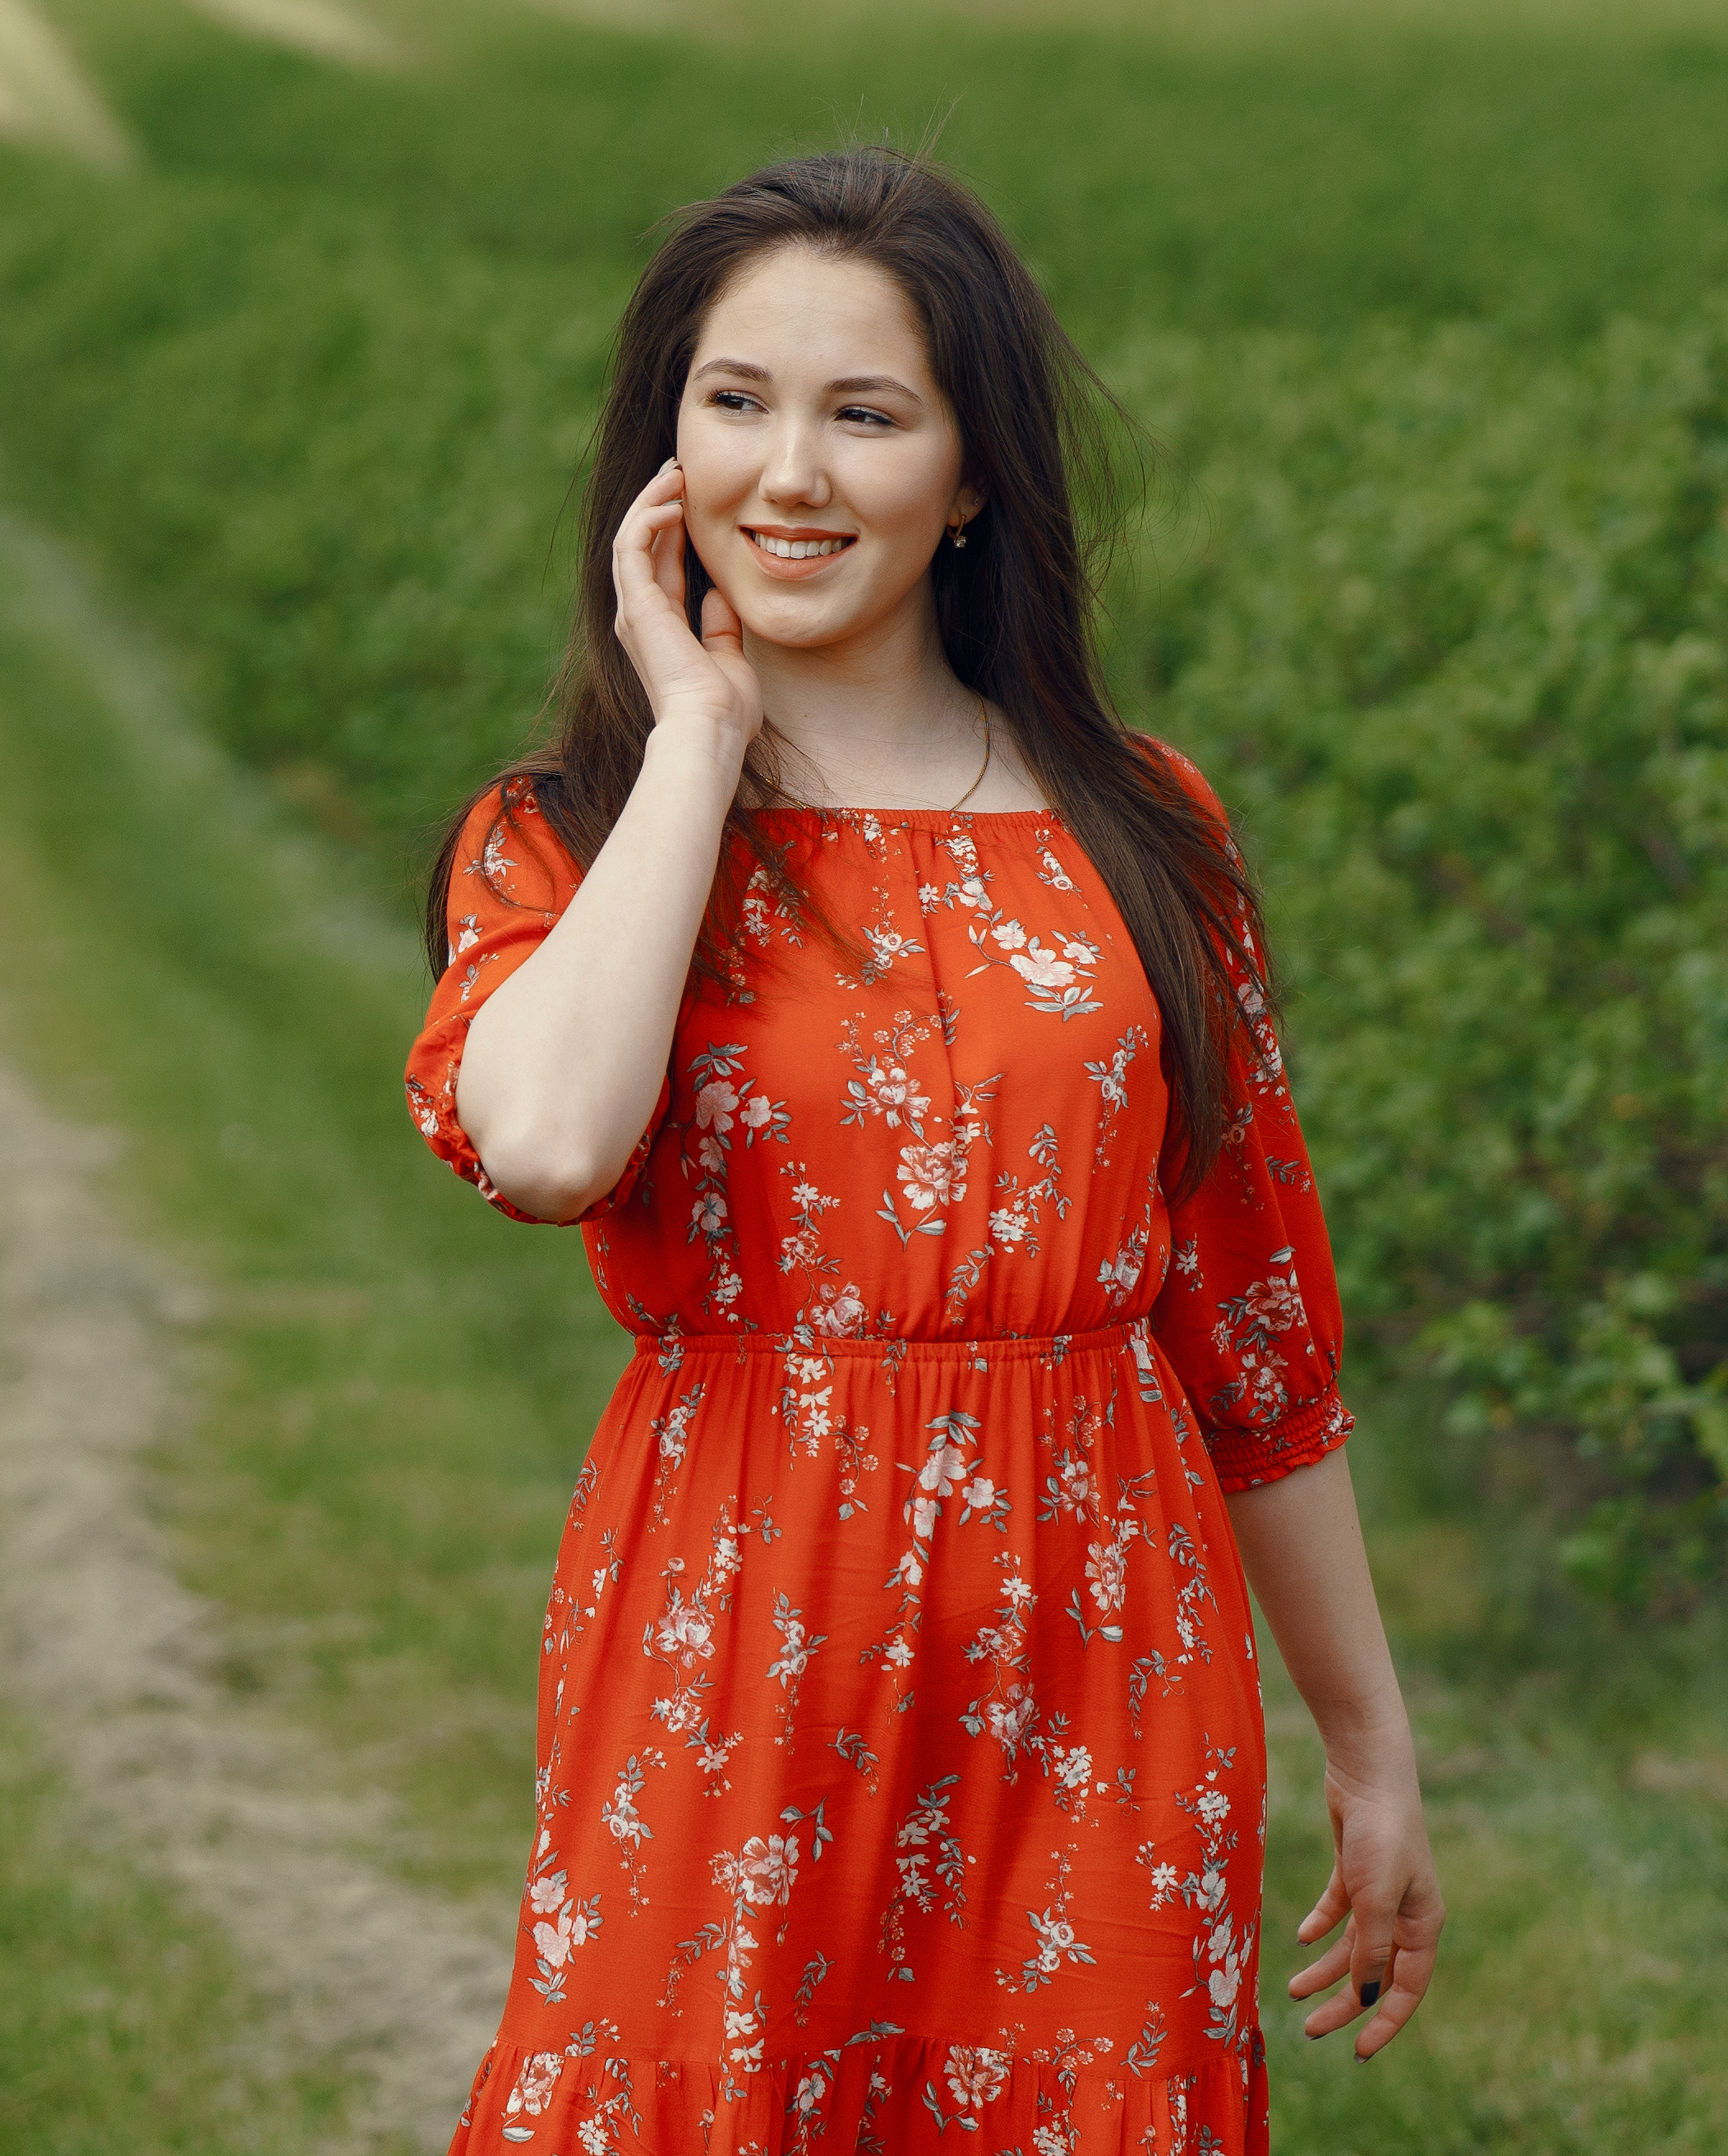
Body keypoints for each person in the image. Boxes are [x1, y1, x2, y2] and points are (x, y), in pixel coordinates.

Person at [405, 148, 1445, 2154]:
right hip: (736, 1624)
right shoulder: (574, 831)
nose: (789, 474)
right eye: (736, 402)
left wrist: (1371, 1735)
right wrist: (699, 734)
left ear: (970, 475)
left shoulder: (1147, 827)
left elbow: (1252, 1327)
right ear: (662, 451)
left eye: (864, 413)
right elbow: (540, 1140)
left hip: (1106, 1640)